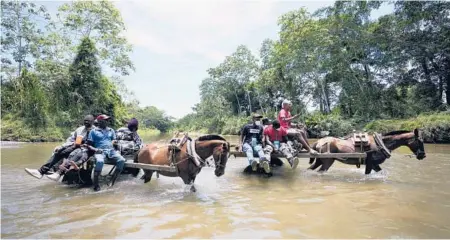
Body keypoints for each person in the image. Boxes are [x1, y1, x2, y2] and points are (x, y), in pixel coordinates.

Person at [24, 115, 95, 179]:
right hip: (75, 145)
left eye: (88, 121)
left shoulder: (95, 131)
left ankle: (59, 173)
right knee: (59, 152)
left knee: (73, 154)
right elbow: (71, 140)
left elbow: (96, 144)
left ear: (92, 122)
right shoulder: (80, 129)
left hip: (86, 149)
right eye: (85, 121)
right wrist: (61, 146)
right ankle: (41, 172)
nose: (86, 122)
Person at [85, 114, 125, 191]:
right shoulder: (93, 131)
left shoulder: (111, 130)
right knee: (100, 161)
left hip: (111, 151)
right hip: (100, 151)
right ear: (100, 121)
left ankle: (112, 180)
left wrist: (115, 144)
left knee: (121, 160)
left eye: (107, 120)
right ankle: (96, 184)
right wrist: (96, 150)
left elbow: (114, 140)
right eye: (105, 120)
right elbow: (88, 145)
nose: (107, 121)